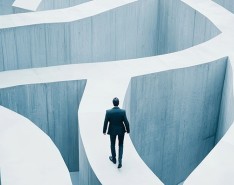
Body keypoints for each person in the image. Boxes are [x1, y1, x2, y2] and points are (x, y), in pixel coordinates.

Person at [103, 97, 130, 168]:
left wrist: (104, 131)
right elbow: (126, 122)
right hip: (121, 130)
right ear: (118, 103)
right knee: (120, 145)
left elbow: (105, 122)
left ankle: (114, 159)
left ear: (113, 103)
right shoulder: (122, 112)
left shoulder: (108, 112)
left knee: (112, 144)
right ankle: (120, 161)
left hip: (112, 130)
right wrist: (128, 130)